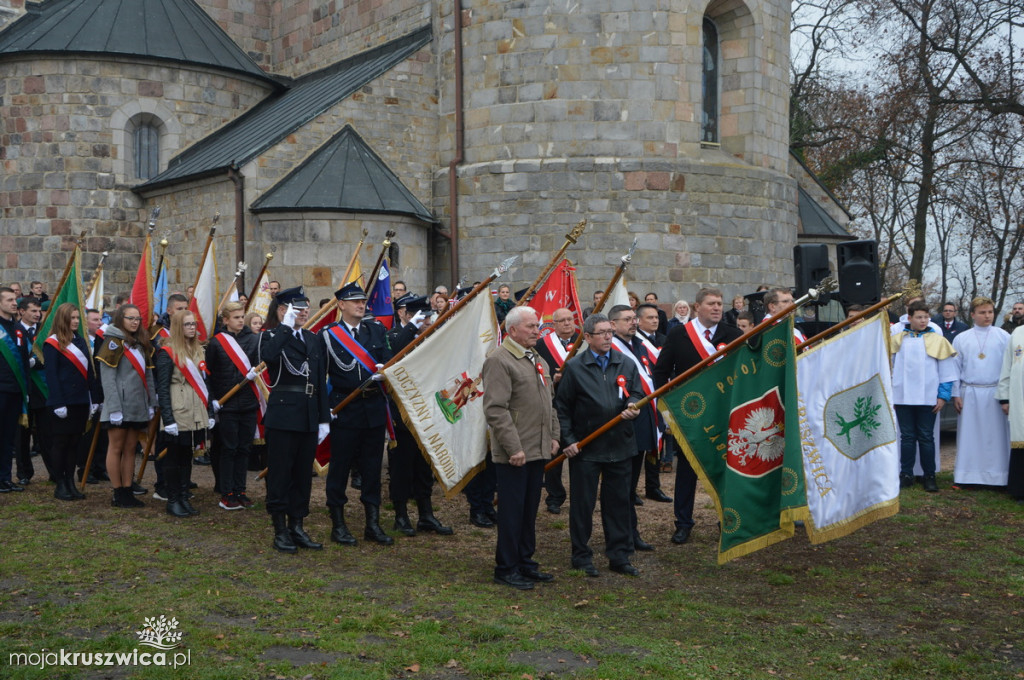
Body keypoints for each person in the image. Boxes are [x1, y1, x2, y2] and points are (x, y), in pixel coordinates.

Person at [555, 313, 643, 577]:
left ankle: (619, 555)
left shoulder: (625, 364)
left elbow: (637, 392)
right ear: (589, 337)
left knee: (617, 503)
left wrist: (632, 404)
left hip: (620, 446)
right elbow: (562, 407)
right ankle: (581, 555)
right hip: (587, 448)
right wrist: (569, 441)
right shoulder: (575, 367)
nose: (607, 337)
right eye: (602, 333)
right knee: (583, 504)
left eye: (610, 332)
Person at [654, 287, 743, 545]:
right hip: (690, 416)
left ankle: (727, 520)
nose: (717, 308)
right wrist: (667, 407)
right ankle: (683, 523)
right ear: (697, 307)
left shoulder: (733, 334)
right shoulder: (679, 334)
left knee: (726, 469)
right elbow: (661, 371)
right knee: (687, 473)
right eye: (711, 303)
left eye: (720, 303)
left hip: (726, 413)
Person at [483, 306, 560, 589]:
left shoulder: (537, 358)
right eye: (530, 326)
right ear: (512, 330)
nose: (537, 331)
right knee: (512, 512)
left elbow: (548, 402)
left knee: (528, 511)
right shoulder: (499, 360)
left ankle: (526, 562)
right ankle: (506, 567)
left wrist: (554, 435)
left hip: (538, 448)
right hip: (515, 453)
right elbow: (495, 410)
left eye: (537, 325)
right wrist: (513, 447)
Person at [321, 282, 395, 546]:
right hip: (345, 409)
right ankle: (338, 524)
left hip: (373, 408)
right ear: (341, 305)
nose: (361, 305)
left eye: (363, 301)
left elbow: (388, 359)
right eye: (354, 301)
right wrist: (323, 412)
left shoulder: (375, 329)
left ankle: (372, 524)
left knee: (372, 469)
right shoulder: (329, 334)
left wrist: (383, 368)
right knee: (340, 469)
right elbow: (321, 376)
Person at [258, 287, 330, 553]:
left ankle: (297, 525)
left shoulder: (312, 339)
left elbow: (320, 380)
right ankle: (280, 529)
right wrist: (286, 327)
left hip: (309, 413)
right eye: (298, 308)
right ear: (282, 310)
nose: (304, 312)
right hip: (284, 413)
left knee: (302, 475)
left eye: (306, 308)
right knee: (280, 473)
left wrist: (323, 419)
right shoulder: (272, 335)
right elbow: (268, 358)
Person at [385, 294, 452, 537]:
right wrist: (413, 327)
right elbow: (394, 352)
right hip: (402, 414)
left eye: (427, 317)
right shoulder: (394, 335)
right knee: (402, 467)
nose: (426, 321)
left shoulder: (430, 337)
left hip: (427, 411)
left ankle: (426, 514)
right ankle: (401, 515)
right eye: (421, 317)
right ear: (407, 316)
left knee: (425, 467)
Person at [607, 305, 662, 553]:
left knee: (630, 486)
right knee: (620, 486)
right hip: (618, 425)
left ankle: (631, 532)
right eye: (627, 319)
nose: (633, 323)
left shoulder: (640, 347)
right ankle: (620, 535)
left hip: (640, 423)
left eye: (633, 319)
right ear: (613, 324)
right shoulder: (610, 349)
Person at [890, 300, 957, 492]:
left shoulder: (937, 339)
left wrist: (943, 396)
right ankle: (906, 474)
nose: (923, 320)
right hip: (902, 397)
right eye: (919, 317)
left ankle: (929, 476)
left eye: (926, 317)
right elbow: (889, 367)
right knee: (907, 438)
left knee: (927, 437)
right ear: (909, 318)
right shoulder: (897, 339)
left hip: (928, 398)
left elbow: (946, 371)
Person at [96, 304, 157, 508]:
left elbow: (148, 374)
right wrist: (113, 408)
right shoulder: (112, 343)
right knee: (116, 448)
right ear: (120, 319)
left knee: (131, 448)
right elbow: (108, 378)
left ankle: (128, 489)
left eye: (137, 318)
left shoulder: (141, 343)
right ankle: (118, 491)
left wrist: (150, 402)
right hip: (119, 405)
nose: (134, 322)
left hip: (137, 404)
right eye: (130, 318)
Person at [155, 310, 215, 517]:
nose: (192, 328)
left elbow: (205, 382)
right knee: (173, 455)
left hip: (196, 407)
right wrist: (168, 419)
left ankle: (183, 495)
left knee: (187, 454)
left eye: (194, 324)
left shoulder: (198, 349)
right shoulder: (167, 351)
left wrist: (210, 411)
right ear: (179, 327)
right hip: (178, 406)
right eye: (188, 324)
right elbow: (162, 388)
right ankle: (173, 499)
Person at [43, 303, 101, 500]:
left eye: (78, 318)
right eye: (72, 318)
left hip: (80, 400)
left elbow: (89, 373)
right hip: (63, 401)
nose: (75, 321)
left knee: (75, 443)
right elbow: (51, 375)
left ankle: (70, 482)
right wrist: (59, 403)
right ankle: (60, 483)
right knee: (61, 442)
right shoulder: (52, 343)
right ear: (63, 319)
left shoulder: (81, 341)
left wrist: (94, 398)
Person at [951, 297, 1010, 488]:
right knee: (970, 437)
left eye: (990, 312)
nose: (987, 316)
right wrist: (956, 394)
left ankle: (998, 477)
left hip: (994, 393)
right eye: (983, 312)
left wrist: (1006, 395)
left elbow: (1008, 368)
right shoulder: (962, 338)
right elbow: (954, 368)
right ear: (973, 314)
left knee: (996, 438)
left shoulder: (1003, 336)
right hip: (970, 392)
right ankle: (967, 476)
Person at [207, 301, 261, 510]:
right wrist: (213, 400)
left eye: (242, 317)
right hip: (226, 403)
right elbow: (209, 374)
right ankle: (227, 491)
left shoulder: (254, 340)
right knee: (228, 448)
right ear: (226, 320)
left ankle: (241, 491)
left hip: (248, 402)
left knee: (244, 449)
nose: (240, 321)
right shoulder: (216, 343)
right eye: (236, 317)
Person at [534, 307, 578, 515]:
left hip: (580, 405)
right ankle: (554, 496)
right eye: (562, 321)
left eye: (570, 319)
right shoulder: (543, 345)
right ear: (554, 324)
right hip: (555, 404)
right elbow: (538, 373)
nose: (567, 323)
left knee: (579, 451)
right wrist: (553, 378)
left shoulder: (583, 341)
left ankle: (579, 495)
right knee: (555, 453)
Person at [633, 303, 670, 504]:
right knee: (640, 446)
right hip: (641, 399)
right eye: (650, 318)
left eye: (656, 317)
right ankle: (632, 489)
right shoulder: (634, 343)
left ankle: (653, 487)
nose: (655, 321)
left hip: (660, 397)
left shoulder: (664, 340)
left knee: (658, 443)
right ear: (638, 321)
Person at [16, 296, 47, 486]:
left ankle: (54, 471)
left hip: (42, 388)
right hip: (22, 388)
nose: (37, 314)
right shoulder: (14, 330)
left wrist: (38, 361)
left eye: (39, 311)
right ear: (22, 311)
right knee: (21, 434)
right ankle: (24, 473)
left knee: (47, 432)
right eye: (33, 311)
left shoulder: (44, 332)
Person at [0, 287, 29, 493]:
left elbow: (24, 362)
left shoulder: (18, 328)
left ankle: (5, 478)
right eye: (9, 299)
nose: (14, 303)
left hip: (15, 390)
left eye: (15, 299)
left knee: (9, 437)